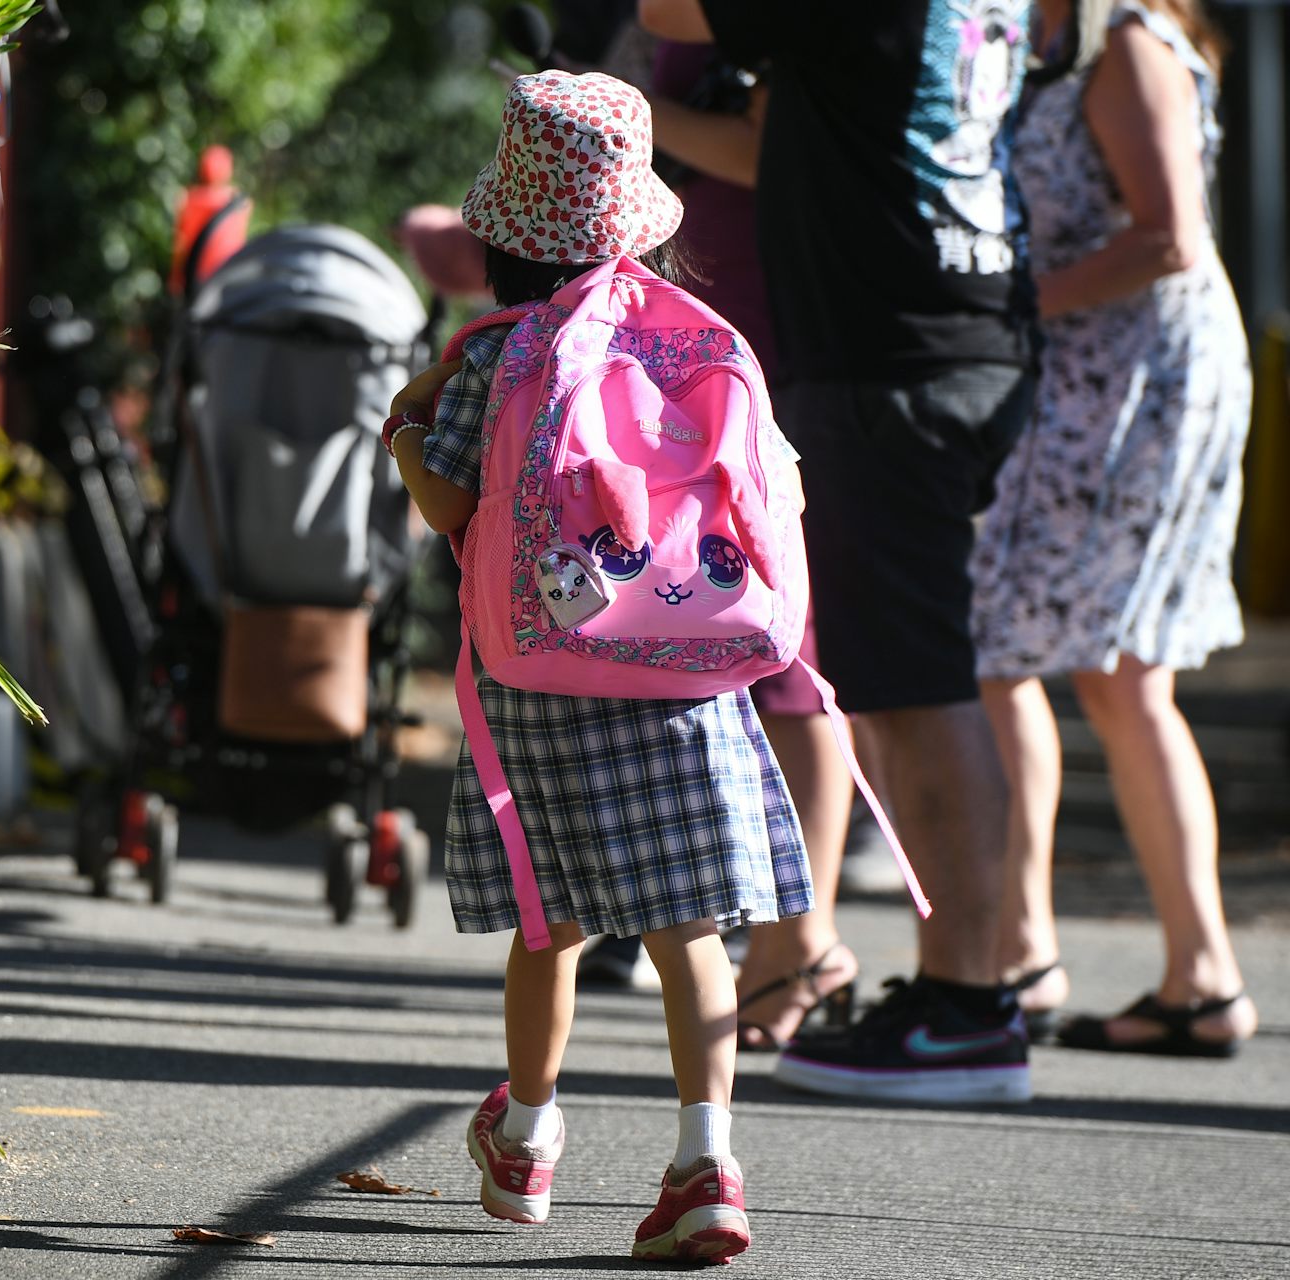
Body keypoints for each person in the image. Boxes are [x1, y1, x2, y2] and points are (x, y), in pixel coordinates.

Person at [388, 70, 814, 1263]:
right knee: (692, 933)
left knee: (551, 920)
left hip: (544, 681)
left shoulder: (499, 355)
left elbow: (452, 507)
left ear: (504, 240)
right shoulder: (696, 343)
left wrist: (407, 432)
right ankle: (707, 1158)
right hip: (689, 667)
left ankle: (525, 1135)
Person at [639, 0, 1038, 1104]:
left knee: (919, 683)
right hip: (951, 330)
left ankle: (970, 1005)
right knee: (902, 682)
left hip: (892, 356)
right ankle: (964, 987)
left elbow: (664, 9)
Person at [970, 0, 1258, 1055]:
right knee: (1013, 656)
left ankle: (1187, 970)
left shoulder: (1129, 42)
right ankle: (1033, 945)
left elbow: (1169, 235)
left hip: (1146, 384)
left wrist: (1008, 306)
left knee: (1116, 669)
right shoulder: (1041, 42)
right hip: (1084, 383)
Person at [638, 39, 861, 1050]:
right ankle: (782, 932)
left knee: (786, 650)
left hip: (762, 324)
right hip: (705, 324)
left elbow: (777, 150)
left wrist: (630, 112)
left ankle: (799, 939)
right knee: (733, 635)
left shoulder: (748, 20)